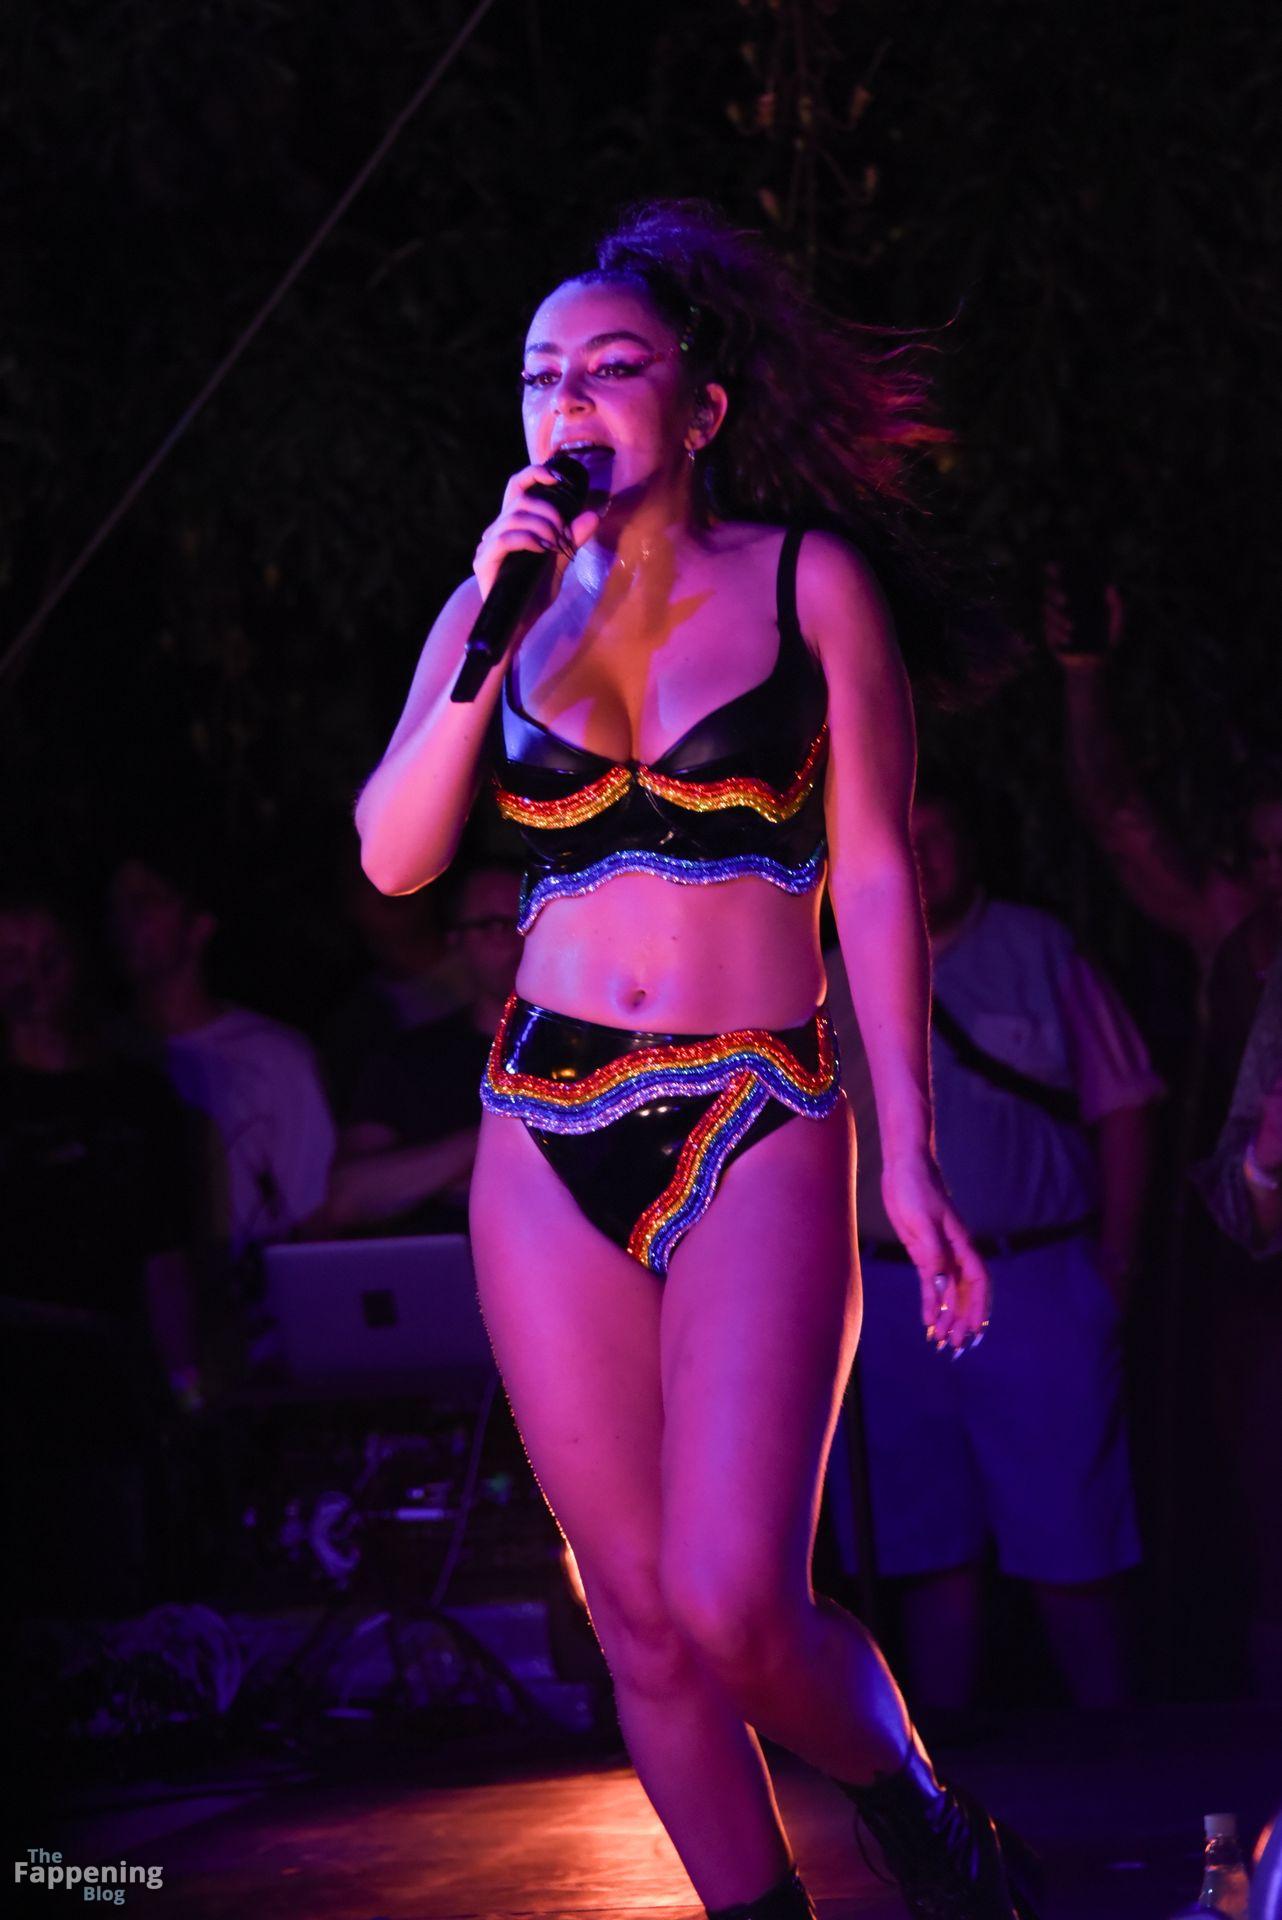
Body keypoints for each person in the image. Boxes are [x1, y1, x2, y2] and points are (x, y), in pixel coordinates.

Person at [355, 200, 1036, 1920]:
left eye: (610, 367)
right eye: (541, 376)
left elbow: (871, 878)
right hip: (542, 1119)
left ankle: (914, 1806)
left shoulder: (807, 584)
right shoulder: (498, 603)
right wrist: (485, 629)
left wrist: (914, 1156)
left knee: (736, 1602)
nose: (569, 401)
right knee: (638, 1619)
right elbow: (395, 856)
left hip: (759, 1104)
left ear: (700, 404)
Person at [823, 784, 1162, 1717]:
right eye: (903, 838)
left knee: (1073, 1540)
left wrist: (1114, 1268)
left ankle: (1118, 1755)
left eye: (935, 833)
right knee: (924, 1546)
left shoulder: (1039, 949)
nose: (920, 855)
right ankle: (943, 1763)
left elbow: (1126, 1105)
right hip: (889, 1294)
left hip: (1036, 1280)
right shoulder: (830, 973)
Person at [0, 888, 199, 1611]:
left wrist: (185, 1384)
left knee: (115, 1582)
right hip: (13, 1375)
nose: (33, 975)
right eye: (12, 958)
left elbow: (164, 1252)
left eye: (49, 955)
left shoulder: (135, 1095)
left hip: (111, 1382)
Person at [108, 851, 337, 1257]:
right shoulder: (102, 1053)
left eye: (149, 899)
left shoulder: (277, 1059)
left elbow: (315, 1215)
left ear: (199, 925)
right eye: (119, 902)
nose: (130, 917)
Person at [325, 859, 522, 1234]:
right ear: (456, 941)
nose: (519, 940)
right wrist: (507, 1132)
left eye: (530, 921)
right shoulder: (408, 1060)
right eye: (494, 926)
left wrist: (436, 1177)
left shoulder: (597, 1054)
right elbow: (347, 1196)